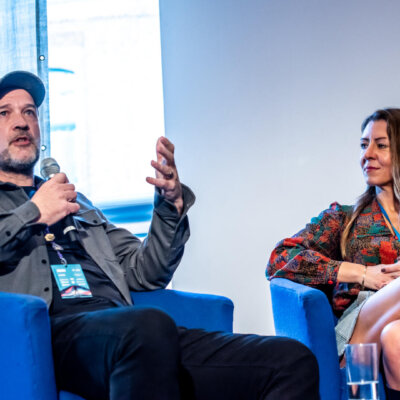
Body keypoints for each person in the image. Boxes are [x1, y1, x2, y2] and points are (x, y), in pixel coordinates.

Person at [0, 70, 319, 400]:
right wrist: (34, 213)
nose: (21, 122)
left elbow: (146, 272)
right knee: (146, 328)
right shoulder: (35, 204)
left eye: (29, 112)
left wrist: (170, 206)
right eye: (5, 112)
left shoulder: (77, 203)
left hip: (127, 331)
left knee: (290, 360)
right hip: (48, 337)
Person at [267, 107, 400, 399]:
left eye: (381, 145)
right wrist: (361, 274)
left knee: (396, 337)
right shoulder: (343, 219)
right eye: (364, 145)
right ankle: (358, 363)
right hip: (359, 327)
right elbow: (280, 259)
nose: (367, 154)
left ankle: (362, 391)